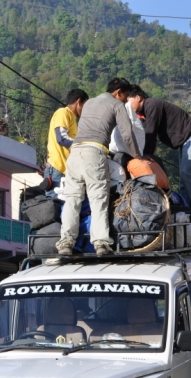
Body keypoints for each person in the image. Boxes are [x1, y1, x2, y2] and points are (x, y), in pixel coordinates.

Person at [56, 77, 141, 257]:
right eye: (125, 97)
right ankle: (101, 243)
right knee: (98, 199)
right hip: (94, 154)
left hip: (75, 153)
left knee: (72, 200)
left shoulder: (90, 103)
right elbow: (127, 134)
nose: (125, 101)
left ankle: (65, 244)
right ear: (118, 92)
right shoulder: (117, 105)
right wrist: (137, 156)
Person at [139, 98, 191, 210]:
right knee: (183, 177)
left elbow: (151, 132)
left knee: (187, 172)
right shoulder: (148, 110)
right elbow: (152, 136)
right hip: (185, 141)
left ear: (137, 97)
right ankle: (187, 207)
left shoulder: (151, 104)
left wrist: (144, 154)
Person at [45, 88, 89, 191]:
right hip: (57, 169)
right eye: (85, 105)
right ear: (78, 102)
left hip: (65, 170)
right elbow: (62, 138)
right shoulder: (63, 112)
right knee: (55, 204)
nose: (85, 110)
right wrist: (85, 147)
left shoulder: (73, 118)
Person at [108, 85, 147, 169]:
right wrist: (138, 156)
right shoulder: (125, 111)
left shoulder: (132, 114)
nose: (127, 100)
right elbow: (128, 135)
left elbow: (128, 135)